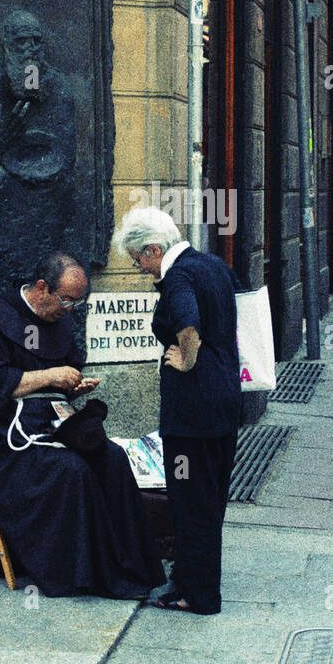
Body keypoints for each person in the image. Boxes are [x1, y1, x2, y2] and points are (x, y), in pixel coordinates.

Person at [0, 252, 166, 600]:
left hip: (55, 422)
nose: (69, 309)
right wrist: (49, 375)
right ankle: (87, 575)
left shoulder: (60, 318)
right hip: (8, 437)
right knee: (72, 470)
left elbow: (66, 368)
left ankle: (132, 569)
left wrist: (73, 384)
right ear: (41, 288)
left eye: (76, 302)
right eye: (65, 300)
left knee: (113, 459)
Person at [116, 207, 242, 615]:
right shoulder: (212, 265)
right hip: (224, 400)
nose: (141, 269)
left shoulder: (178, 278)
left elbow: (187, 323)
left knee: (189, 502)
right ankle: (189, 584)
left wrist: (186, 359)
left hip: (192, 414)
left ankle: (198, 594)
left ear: (154, 249)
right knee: (210, 500)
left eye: (139, 260)